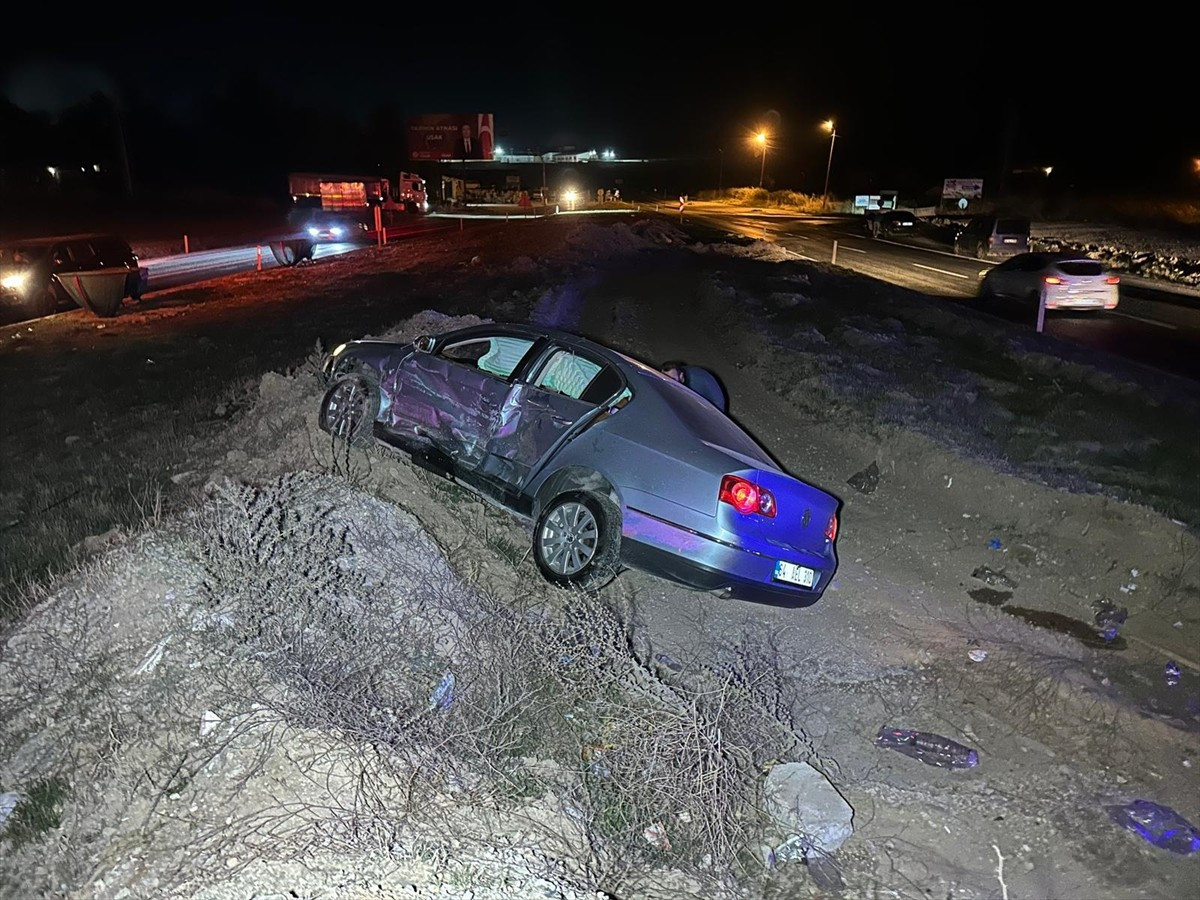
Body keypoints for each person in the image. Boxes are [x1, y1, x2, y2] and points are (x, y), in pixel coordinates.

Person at [661, 360, 728, 414]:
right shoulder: (673, 381)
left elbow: (719, 403)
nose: (669, 382)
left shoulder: (698, 380)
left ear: (681, 377)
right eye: (665, 378)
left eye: (673, 379)